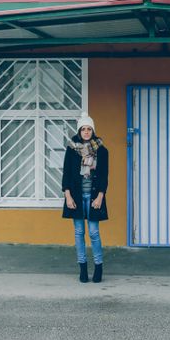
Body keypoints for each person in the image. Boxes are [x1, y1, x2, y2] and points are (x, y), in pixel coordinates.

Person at [62, 112, 109, 283]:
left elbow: (104, 176)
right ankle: (82, 268)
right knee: (79, 232)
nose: (87, 132)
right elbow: (66, 174)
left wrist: (100, 197)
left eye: (89, 129)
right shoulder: (72, 149)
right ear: (79, 131)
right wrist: (68, 196)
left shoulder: (102, 151)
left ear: (93, 131)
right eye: (84, 129)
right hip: (76, 197)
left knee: (94, 233)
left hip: (93, 196)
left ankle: (98, 267)